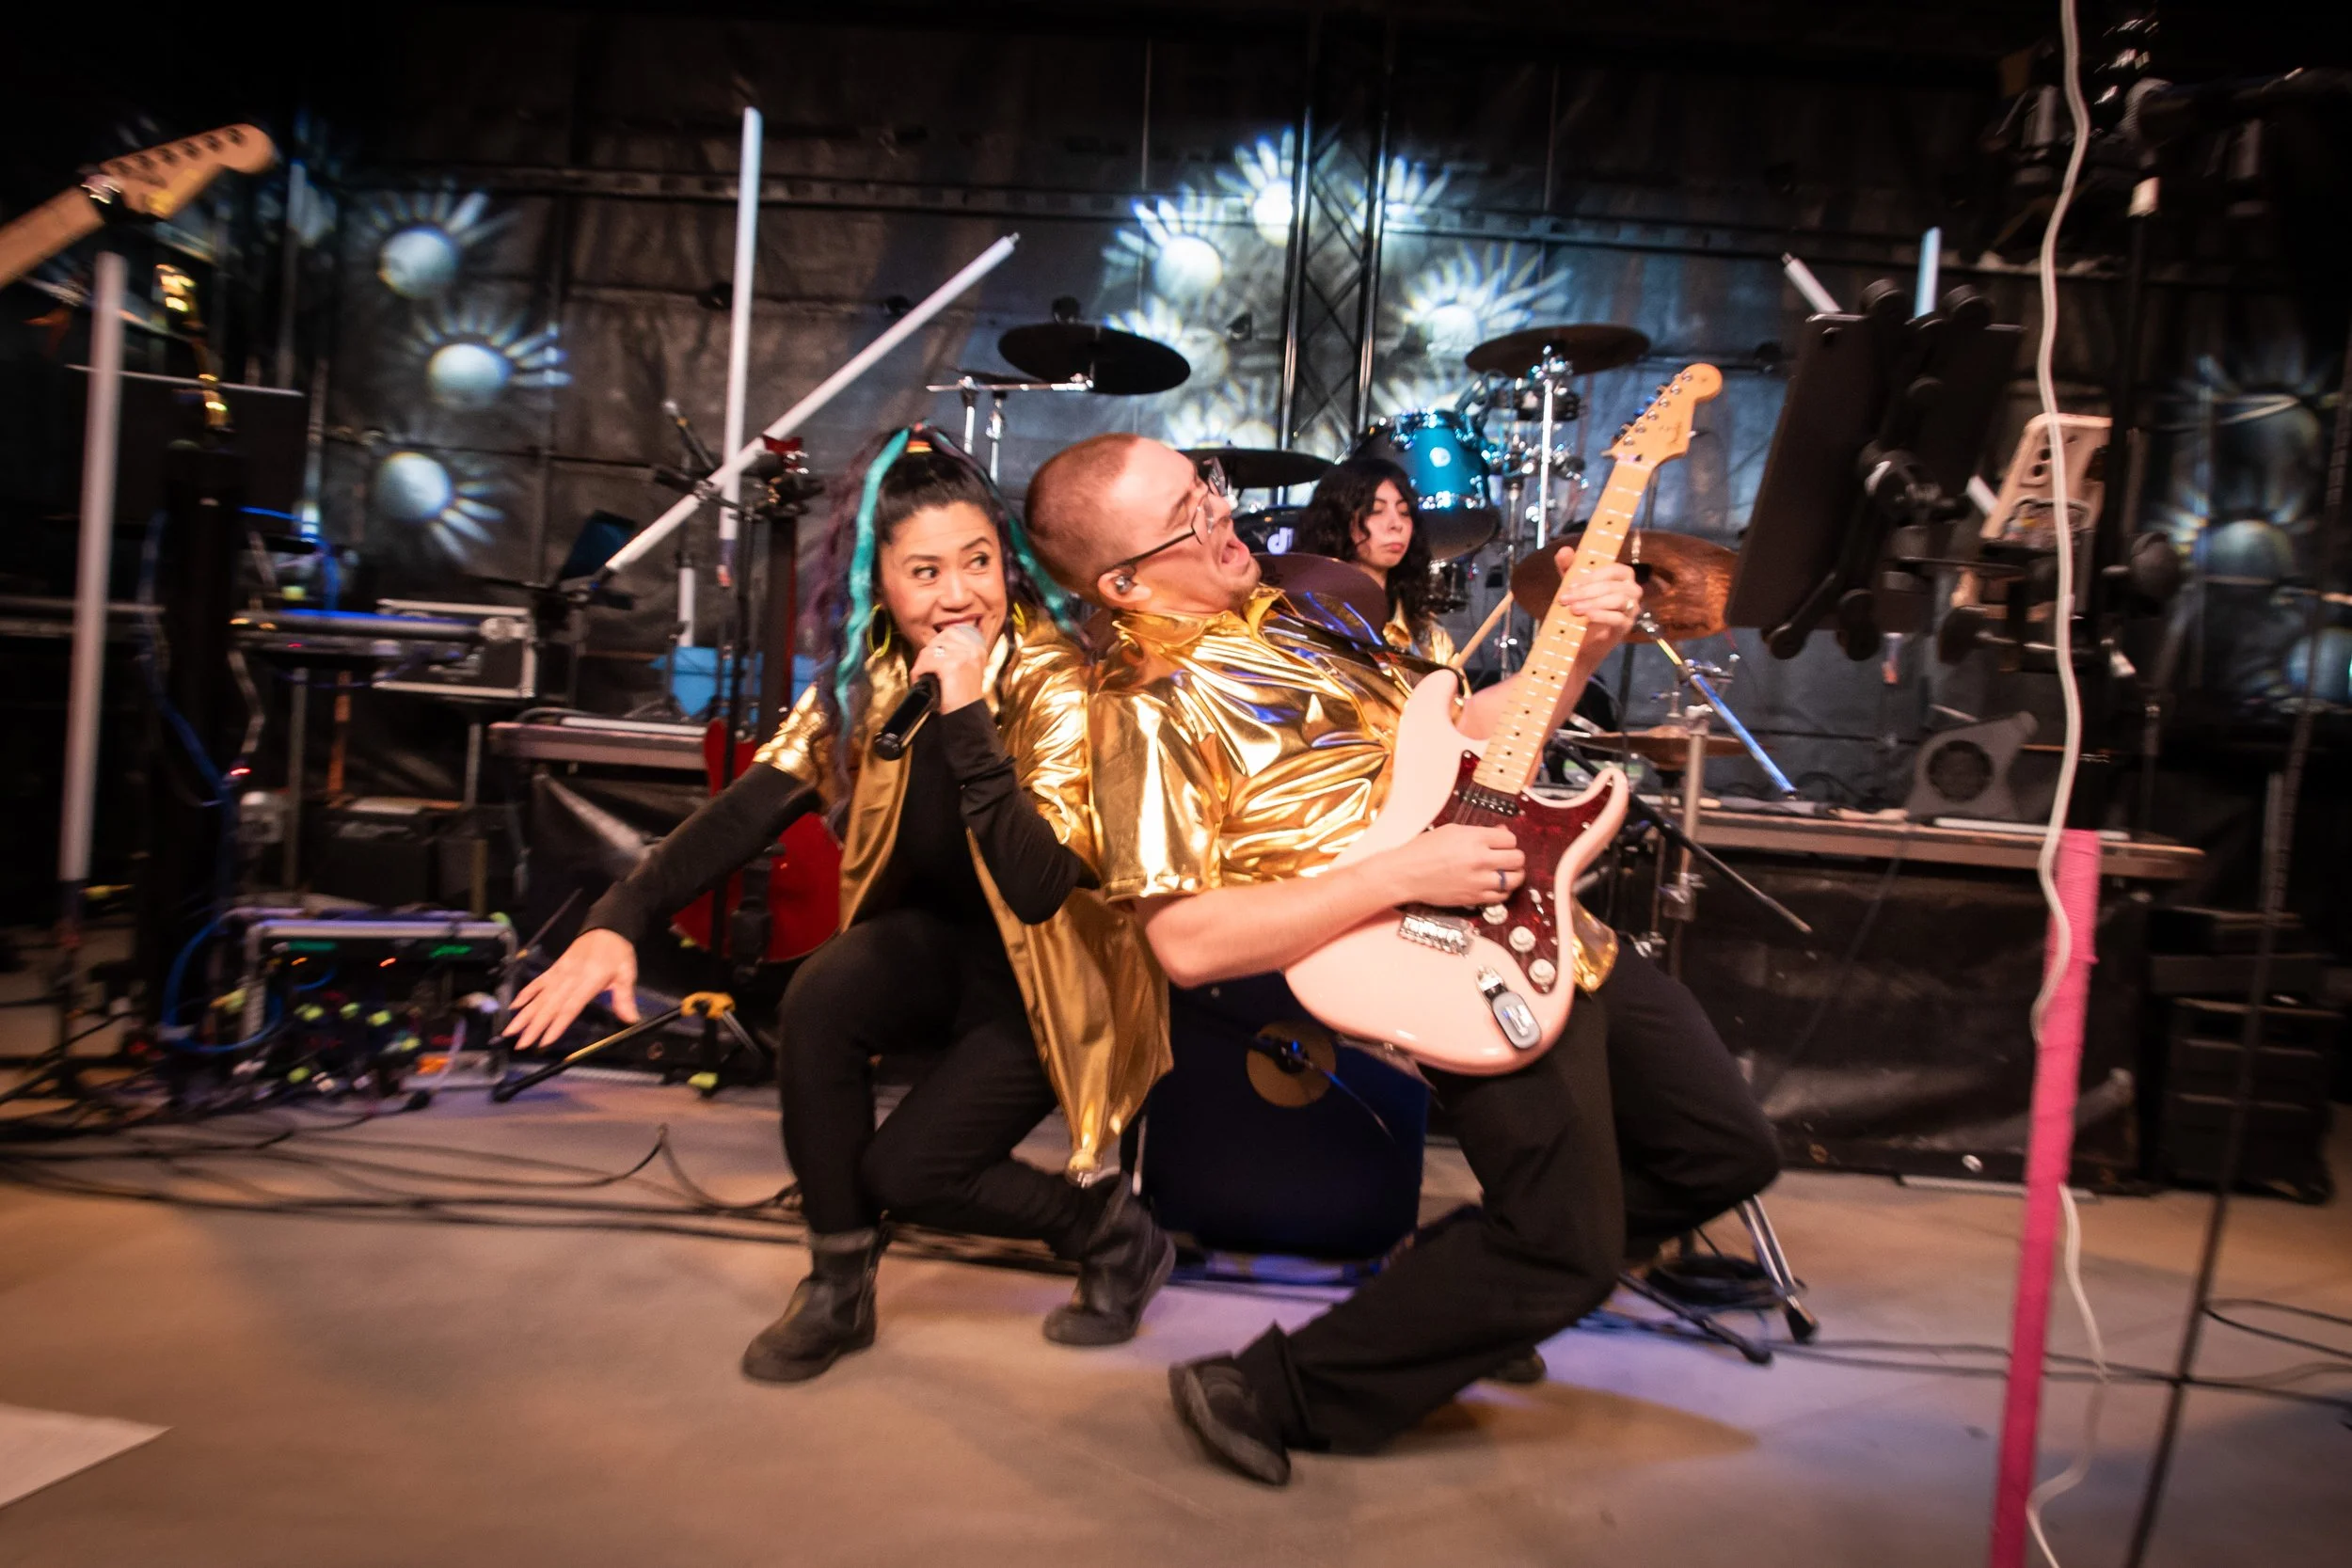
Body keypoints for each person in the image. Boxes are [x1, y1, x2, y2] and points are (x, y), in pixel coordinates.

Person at [1023, 434, 1779, 1485]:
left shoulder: (1298, 610)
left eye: (1211, 489)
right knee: (1563, 1243)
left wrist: (1584, 642)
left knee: (1722, 1152)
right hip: (1439, 955)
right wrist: (1403, 875)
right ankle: (1265, 1387)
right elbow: (1184, 943)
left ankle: (1463, 1285)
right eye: (1191, 514)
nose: (1225, 514)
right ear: (1122, 578)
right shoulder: (1143, 706)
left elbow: (1466, 732)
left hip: (1543, 914)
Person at [505, 427, 1173, 1383]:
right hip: (939, 948)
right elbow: (749, 805)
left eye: (978, 561)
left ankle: (1111, 1230)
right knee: (821, 993)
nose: (957, 595)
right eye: (925, 571)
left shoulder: (1055, 681)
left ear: (1008, 561)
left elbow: (1035, 884)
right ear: (882, 582)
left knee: (908, 1173)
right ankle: (837, 1281)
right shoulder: (871, 681)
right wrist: (617, 915)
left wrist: (969, 713)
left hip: (1052, 979)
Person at [1291, 455, 1454, 663]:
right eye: (1376, 511)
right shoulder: (1305, 624)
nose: (1396, 524)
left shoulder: (1429, 637)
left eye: (1404, 512)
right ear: (1339, 521)